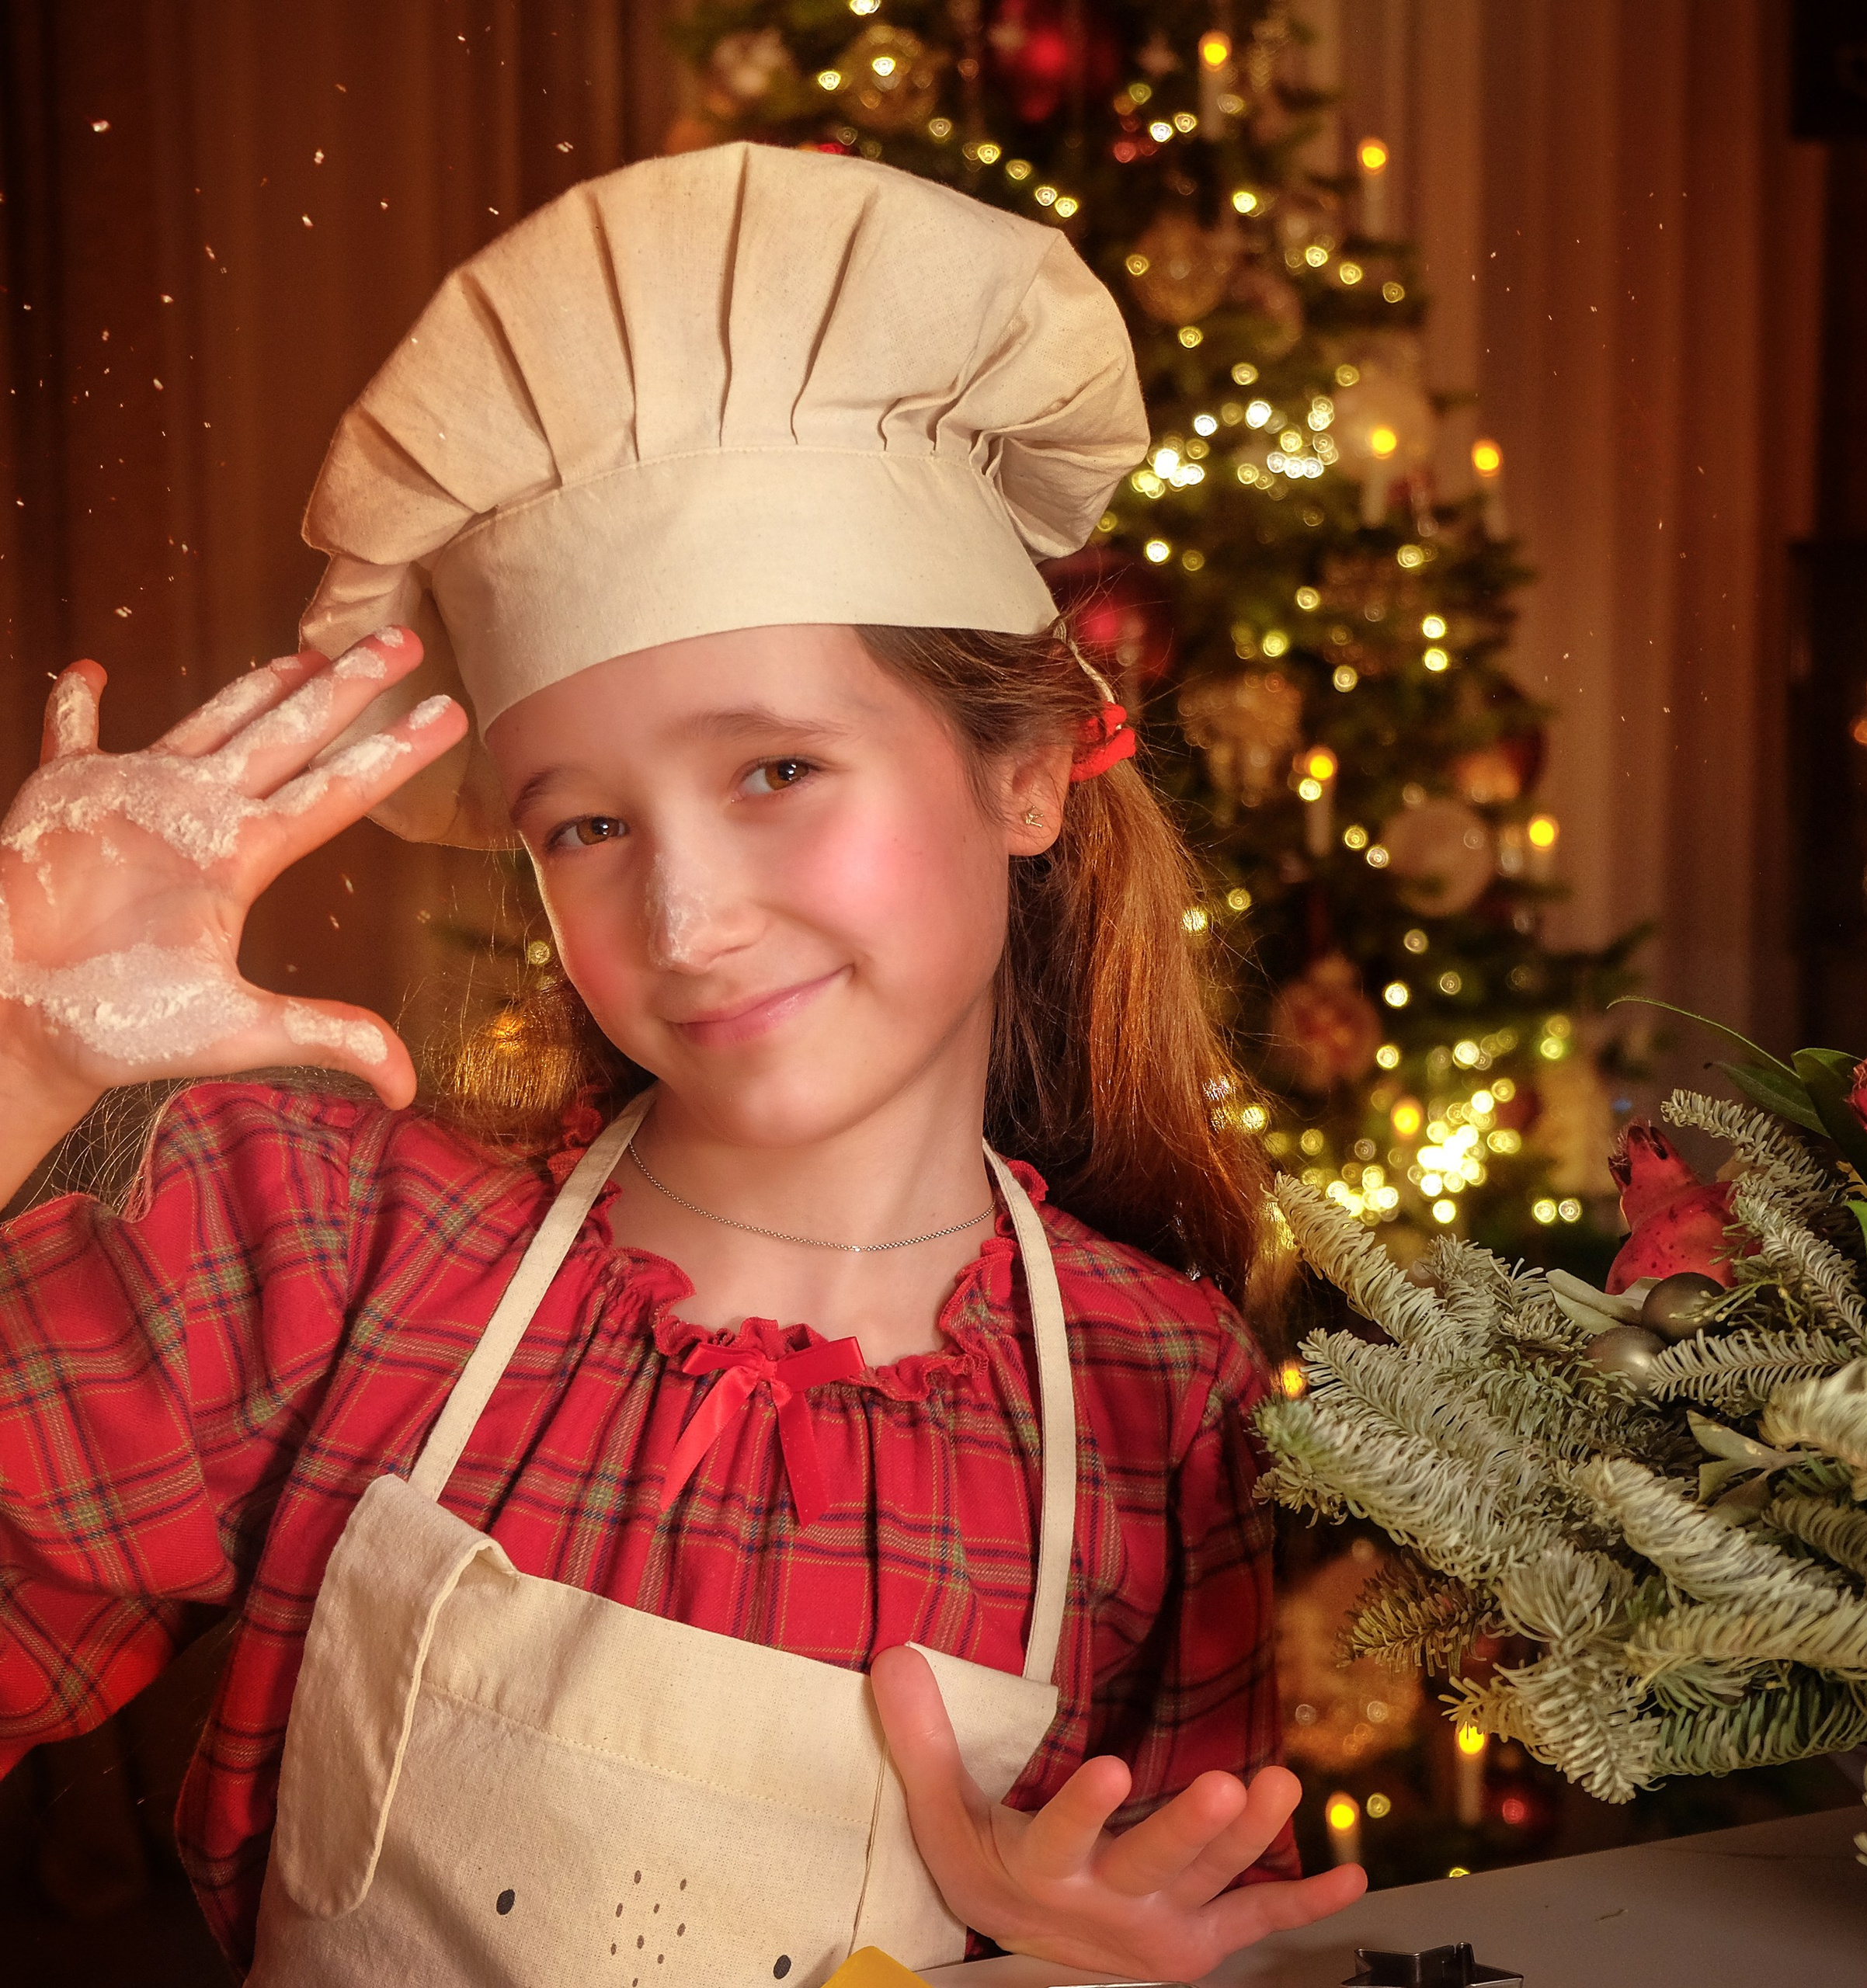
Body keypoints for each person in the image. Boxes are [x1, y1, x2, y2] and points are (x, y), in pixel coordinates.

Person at [0, 142, 1365, 1983]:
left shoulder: (1158, 1387)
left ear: (1027, 770)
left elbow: (1206, 1910)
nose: (686, 914)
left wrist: (1097, 1955)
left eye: (775, 769)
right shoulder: (319, 1245)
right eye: (581, 826)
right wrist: (8, 1055)